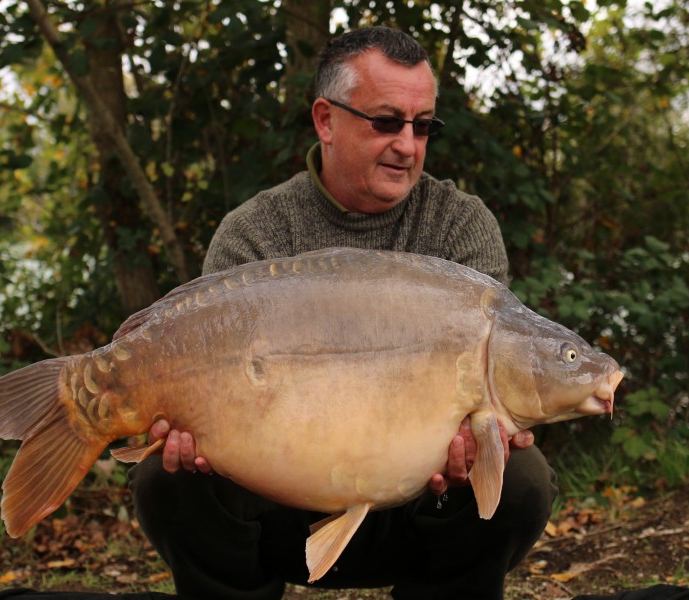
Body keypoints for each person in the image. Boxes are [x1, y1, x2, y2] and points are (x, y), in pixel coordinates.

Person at [128, 26, 547, 600]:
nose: (408, 144)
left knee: (519, 478)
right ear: (326, 120)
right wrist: (186, 433)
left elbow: (491, 392)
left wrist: (480, 444)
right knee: (165, 476)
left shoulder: (459, 225)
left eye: (423, 125)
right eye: (386, 121)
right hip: (276, 508)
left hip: (419, 508)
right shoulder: (255, 234)